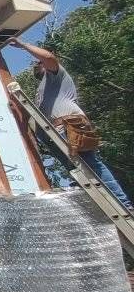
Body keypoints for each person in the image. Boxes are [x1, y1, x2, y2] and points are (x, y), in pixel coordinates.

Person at [10, 39, 131, 209]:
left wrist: (23, 45)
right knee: (77, 169)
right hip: (56, 133)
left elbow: (49, 58)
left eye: (38, 62)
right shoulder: (43, 88)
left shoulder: (57, 74)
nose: (36, 65)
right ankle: (105, 204)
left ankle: (123, 204)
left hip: (70, 126)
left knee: (91, 164)